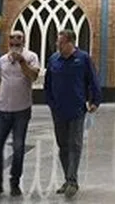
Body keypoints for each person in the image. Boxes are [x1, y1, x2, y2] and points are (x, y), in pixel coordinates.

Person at [0, 31, 40, 200]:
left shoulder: (31, 57)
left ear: (24, 41)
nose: (15, 42)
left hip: (21, 111)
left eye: (18, 39)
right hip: (2, 111)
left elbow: (33, 76)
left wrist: (21, 61)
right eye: (12, 40)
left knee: (18, 147)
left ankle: (15, 182)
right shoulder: (2, 60)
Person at [44, 29, 101, 199]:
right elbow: (48, 84)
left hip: (77, 109)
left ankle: (72, 181)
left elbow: (93, 80)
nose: (58, 45)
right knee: (63, 145)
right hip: (58, 110)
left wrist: (95, 101)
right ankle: (67, 179)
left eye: (61, 43)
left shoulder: (83, 59)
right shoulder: (54, 59)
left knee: (75, 144)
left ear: (71, 43)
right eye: (57, 42)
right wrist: (51, 103)